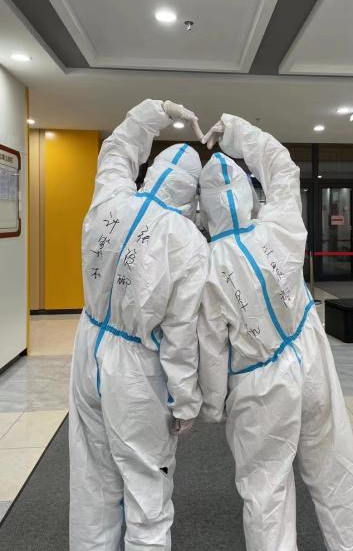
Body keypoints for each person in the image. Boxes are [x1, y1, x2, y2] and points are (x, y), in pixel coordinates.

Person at [197, 115, 353, 551]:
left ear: (204, 208)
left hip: (259, 385)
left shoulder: (207, 268)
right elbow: (282, 168)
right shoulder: (279, 226)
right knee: (335, 464)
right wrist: (237, 131)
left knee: (267, 490)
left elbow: (211, 347)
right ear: (247, 195)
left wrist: (212, 404)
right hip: (309, 358)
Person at [69, 99, 208, 551]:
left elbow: (117, 149)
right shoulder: (187, 240)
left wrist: (157, 111)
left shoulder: (110, 199)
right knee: (148, 488)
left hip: (89, 344)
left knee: (93, 477)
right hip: (136, 369)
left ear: (152, 173)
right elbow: (180, 337)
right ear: (191, 195)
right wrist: (185, 402)